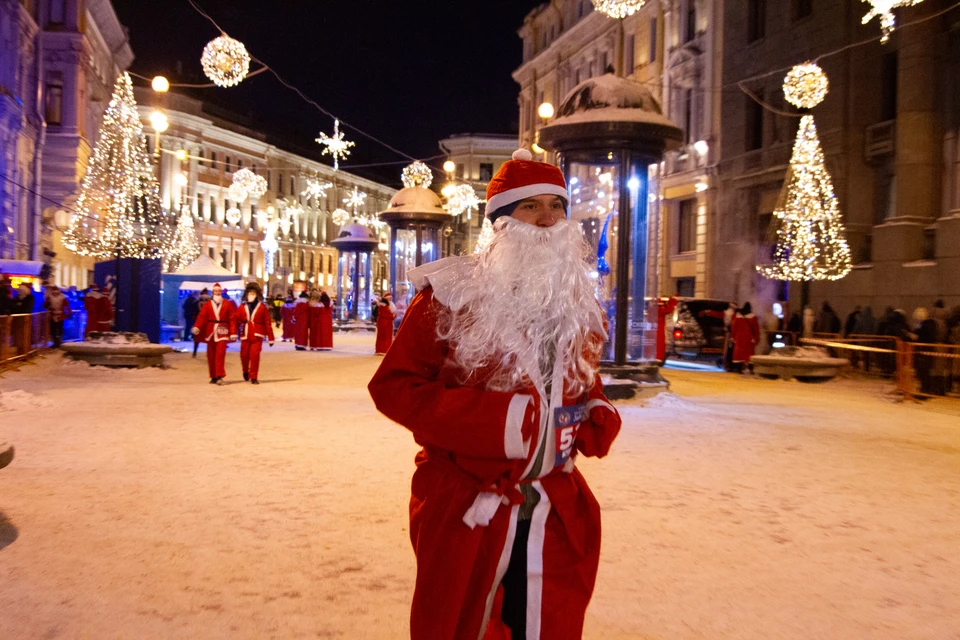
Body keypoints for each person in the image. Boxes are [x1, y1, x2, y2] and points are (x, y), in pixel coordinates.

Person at [369, 149, 622, 640]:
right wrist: (501, 422)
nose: (549, 219)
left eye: (557, 205)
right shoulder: (448, 295)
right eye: (531, 207)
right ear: (501, 221)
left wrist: (594, 405)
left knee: (548, 622)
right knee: (461, 624)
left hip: (553, 504)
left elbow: (579, 376)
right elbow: (395, 388)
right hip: (467, 503)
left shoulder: (577, 301)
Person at [191, 283, 237, 385]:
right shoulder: (207, 305)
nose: (218, 293)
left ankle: (219, 375)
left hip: (222, 331)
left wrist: (233, 332)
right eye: (216, 291)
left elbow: (232, 319)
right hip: (211, 331)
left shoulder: (227, 304)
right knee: (211, 355)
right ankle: (213, 375)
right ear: (213, 292)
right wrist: (197, 326)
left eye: (219, 291)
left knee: (220, 354)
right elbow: (202, 317)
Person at [234, 282, 274, 384]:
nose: (252, 294)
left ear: (257, 293)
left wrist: (271, 337)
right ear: (247, 293)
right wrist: (233, 333)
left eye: (253, 292)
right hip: (245, 334)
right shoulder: (242, 306)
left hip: (257, 334)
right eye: (250, 292)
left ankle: (254, 376)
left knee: (255, 356)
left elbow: (267, 322)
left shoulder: (262, 307)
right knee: (244, 355)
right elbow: (236, 320)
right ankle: (245, 371)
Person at [730, 302, 760, 373]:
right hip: (749, 338)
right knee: (749, 354)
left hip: (739, 337)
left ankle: (738, 369)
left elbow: (734, 327)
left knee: (739, 354)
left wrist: (733, 337)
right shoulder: (753, 316)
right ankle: (751, 369)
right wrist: (756, 338)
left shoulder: (738, 316)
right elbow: (756, 328)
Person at [655, 295, 678, 364]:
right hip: (659, 329)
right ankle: (658, 358)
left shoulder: (656, 307)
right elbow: (668, 310)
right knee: (659, 344)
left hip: (658, 328)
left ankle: (658, 358)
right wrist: (673, 301)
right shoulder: (659, 309)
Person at [192, 288, 211, 357]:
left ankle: (194, 352)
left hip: (199, 320)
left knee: (197, 337)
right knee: (209, 337)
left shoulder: (196, 301)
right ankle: (209, 353)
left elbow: (193, 311)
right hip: (208, 321)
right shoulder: (211, 301)